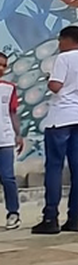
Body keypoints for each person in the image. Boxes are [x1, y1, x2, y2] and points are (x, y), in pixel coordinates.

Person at [33, 25, 78, 235]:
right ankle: (74, 217)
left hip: (61, 115)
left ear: (66, 39)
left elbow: (56, 86)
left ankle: (50, 217)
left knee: (54, 166)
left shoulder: (63, 58)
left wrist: (48, 79)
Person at [0, 52, 23, 230]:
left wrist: (18, 134)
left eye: (4, 65)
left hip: (5, 138)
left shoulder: (9, 88)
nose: (1, 68)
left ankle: (13, 213)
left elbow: (12, 112)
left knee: (7, 177)